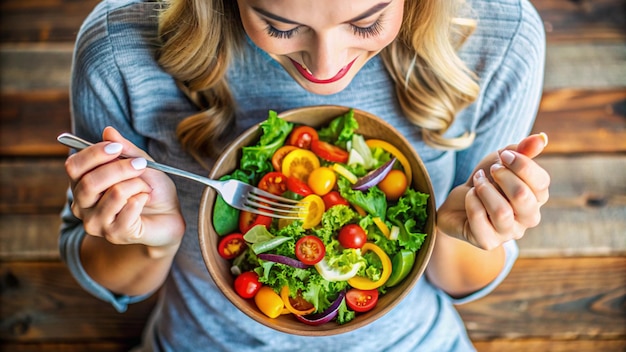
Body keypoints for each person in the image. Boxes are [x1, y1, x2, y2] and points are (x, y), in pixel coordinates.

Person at [60, 0, 550, 350]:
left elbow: (462, 281)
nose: (326, 68)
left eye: (367, 21)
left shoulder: (499, 35)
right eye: (278, 25)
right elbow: (107, 277)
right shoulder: (120, 48)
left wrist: (469, 228)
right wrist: (150, 240)